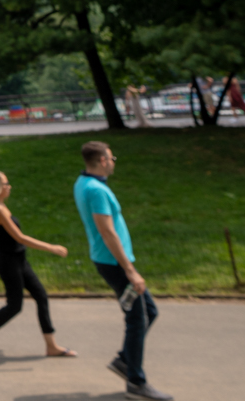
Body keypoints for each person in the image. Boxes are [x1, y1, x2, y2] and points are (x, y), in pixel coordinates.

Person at [75, 141, 171, 400]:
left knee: (149, 311)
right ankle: (136, 383)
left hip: (111, 261)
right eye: (112, 157)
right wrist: (130, 270)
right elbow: (107, 231)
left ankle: (124, 361)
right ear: (103, 161)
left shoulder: (83, 183)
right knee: (137, 319)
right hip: (115, 263)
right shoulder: (96, 190)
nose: (114, 161)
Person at [0, 169, 73, 359]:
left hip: (19, 260)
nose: (9, 187)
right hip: (8, 263)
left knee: (41, 296)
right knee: (15, 305)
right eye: (6, 184)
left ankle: (51, 346)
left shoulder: (1, 206)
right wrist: (51, 248)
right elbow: (20, 238)